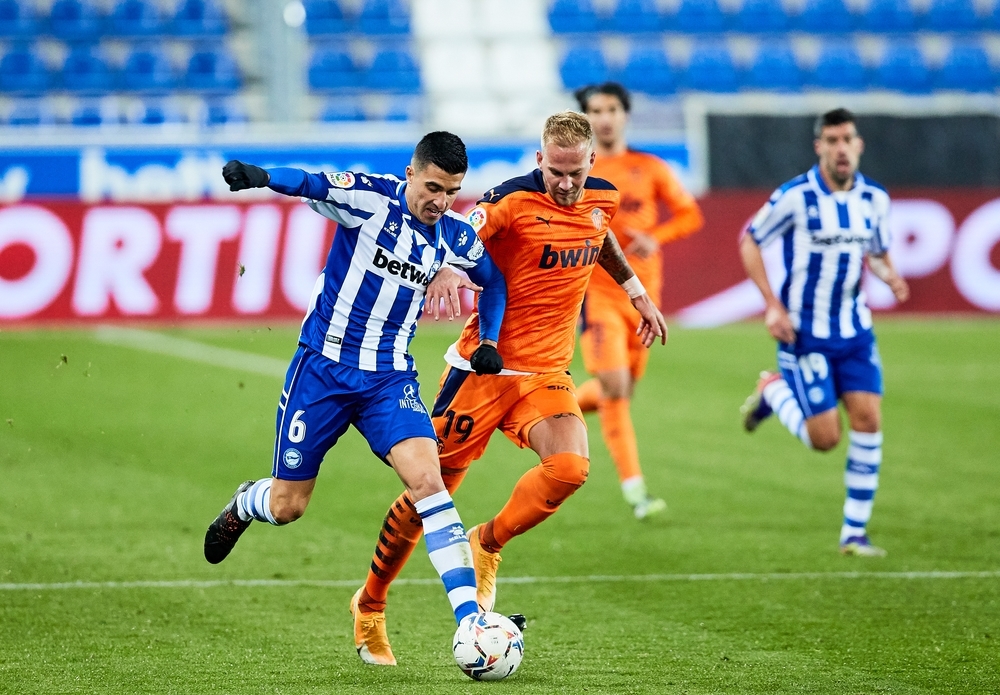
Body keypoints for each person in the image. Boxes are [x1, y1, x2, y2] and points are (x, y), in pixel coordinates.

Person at [348, 111, 669, 664]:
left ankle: (486, 543)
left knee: (569, 469)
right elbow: (459, 230)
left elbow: (602, 233)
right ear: (540, 161)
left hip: (545, 373)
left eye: (575, 173)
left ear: (592, 163)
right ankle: (371, 604)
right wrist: (447, 268)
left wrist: (636, 290)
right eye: (555, 173)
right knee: (430, 494)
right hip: (482, 371)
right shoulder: (508, 201)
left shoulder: (601, 197)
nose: (565, 185)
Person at [202, 132, 509, 665]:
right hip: (321, 370)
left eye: (452, 191)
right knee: (287, 505)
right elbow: (313, 182)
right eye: (433, 187)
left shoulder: (455, 235)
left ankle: (470, 621)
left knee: (429, 484)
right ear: (411, 174)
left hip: (389, 380)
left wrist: (489, 341)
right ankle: (245, 501)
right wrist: (261, 175)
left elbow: (495, 280)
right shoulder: (370, 199)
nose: (441, 201)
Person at [738, 108, 910, 557]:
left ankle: (854, 533)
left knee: (869, 420)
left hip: (855, 331)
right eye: (831, 140)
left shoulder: (875, 199)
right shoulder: (796, 196)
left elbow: (875, 252)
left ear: (858, 145)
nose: (840, 148)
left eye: (847, 139)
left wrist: (889, 275)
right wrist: (773, 307)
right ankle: (773, 389)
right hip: (805, 333)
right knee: (825, 440)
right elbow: (750, 239)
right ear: (819, 147)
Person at [574, 82, 704, 519]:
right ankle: (636, 491)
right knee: (615, 387)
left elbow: (690, 214)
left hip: (644, 298)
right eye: (596, 110)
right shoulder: (578, 173)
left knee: (622, 390)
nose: (605, 117)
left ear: (625, 114)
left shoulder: (649, 167)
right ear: (585, 118)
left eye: (612, 109)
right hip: (596, 294)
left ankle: (542, 407)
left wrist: (657, 236)